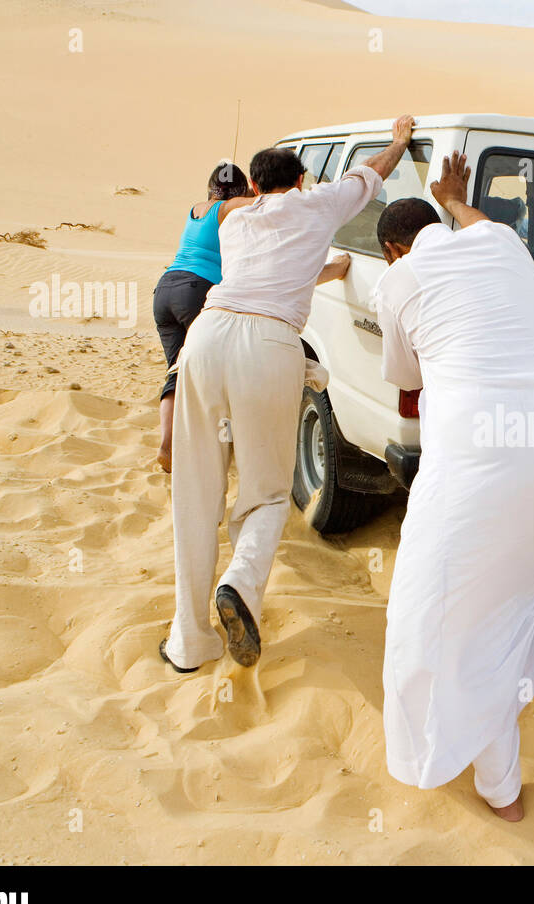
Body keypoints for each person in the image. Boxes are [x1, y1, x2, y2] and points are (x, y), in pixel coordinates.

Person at [371, 152, 534, 822]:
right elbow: (474, 221)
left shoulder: (400, 279)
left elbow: (405, 377)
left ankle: (500, 789)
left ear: (392, 250)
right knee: (533, 579)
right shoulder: (501, 240)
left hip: (480, 455)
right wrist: (452, 194)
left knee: (443, 621)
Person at [160, 115, 416, 674]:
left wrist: (324, 269)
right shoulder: (318, 203)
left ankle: (189, 642)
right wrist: (398, 142)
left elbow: (269, 265)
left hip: (207, 335)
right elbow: (372, 172)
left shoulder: (232, 218)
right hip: (269, 345)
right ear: (301, 181)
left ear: (253, 188)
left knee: (196, 489)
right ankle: (241, 583)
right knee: (268, 494)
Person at [151, 162, 252, 473]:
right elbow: (262, 203)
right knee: (217, 369)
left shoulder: (197, 208)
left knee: (176, 372)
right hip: (196, 291)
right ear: (239, 190)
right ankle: (218, 443)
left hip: (165, 290)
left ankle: (167, 444)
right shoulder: (226, 209)